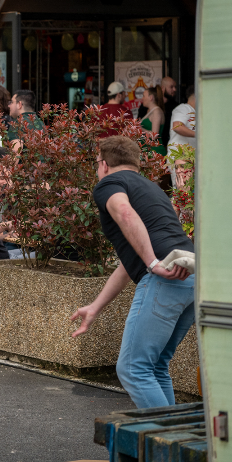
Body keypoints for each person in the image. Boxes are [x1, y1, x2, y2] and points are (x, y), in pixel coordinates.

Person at [71, 136, 194, 408]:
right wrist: (95, 307)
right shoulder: (152, 189)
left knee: (133, 369)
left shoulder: (110, 184)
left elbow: (125, 214)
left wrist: (152, 263)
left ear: (103, 164)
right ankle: (169, 440)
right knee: (156, 366)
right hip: (191, 278)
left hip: (166, 277)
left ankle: (168, 446)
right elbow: (131, 262)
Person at [167, 85, 196, 188]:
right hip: (180, 158)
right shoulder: (184, 108)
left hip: (188, 158)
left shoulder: (195, 112)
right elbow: (177, 126)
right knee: (182, 189)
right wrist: (199, 135)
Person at [139, 86, 166, 155]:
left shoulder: (156, 111)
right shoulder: (150, 111)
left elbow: (155, 134)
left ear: (151, 97)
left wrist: (141, 129)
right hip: (148, 150)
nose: (142, 98)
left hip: (154, 151)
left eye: (144, 96)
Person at [160, 76, 179, 148]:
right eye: (171, 87)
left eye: (175, 87)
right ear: (162, 88)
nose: (174, 89)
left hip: (171, 144)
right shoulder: (153, 105)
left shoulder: (176, 106)